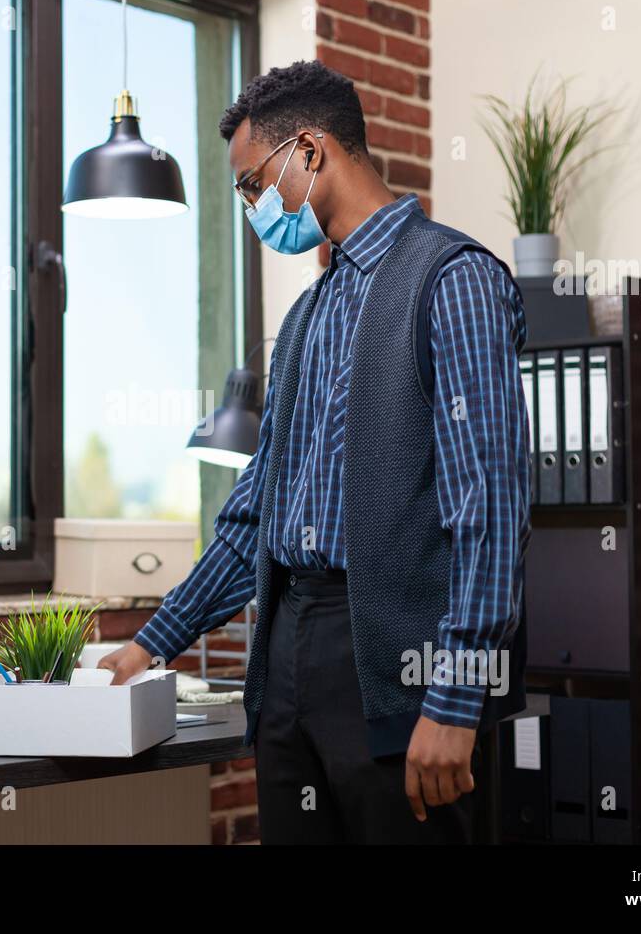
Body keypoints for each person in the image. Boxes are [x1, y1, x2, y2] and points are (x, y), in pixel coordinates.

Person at [99, 59, 530, 844]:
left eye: (252, 184)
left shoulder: (452, 279)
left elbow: (491, 509)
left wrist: (458, 696)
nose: (252, 207)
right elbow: (253, 517)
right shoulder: (305, 318)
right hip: (291, 649)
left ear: (310, 150)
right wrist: (150, 644)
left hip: (402, 662)